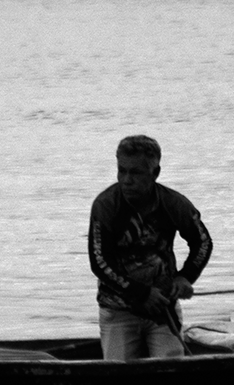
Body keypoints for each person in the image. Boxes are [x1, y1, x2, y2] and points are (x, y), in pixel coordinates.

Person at [88, 135, 213, 361]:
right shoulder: (105, 206)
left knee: (171, 371)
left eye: (135, 173)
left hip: (163, 310)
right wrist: (142, 293)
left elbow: (202, 242)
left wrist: (186, 277)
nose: (126, 180)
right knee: (116, 375)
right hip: (119, 311)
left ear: (155, 173)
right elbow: (99, 262)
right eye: (121, 171)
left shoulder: (174, 203)